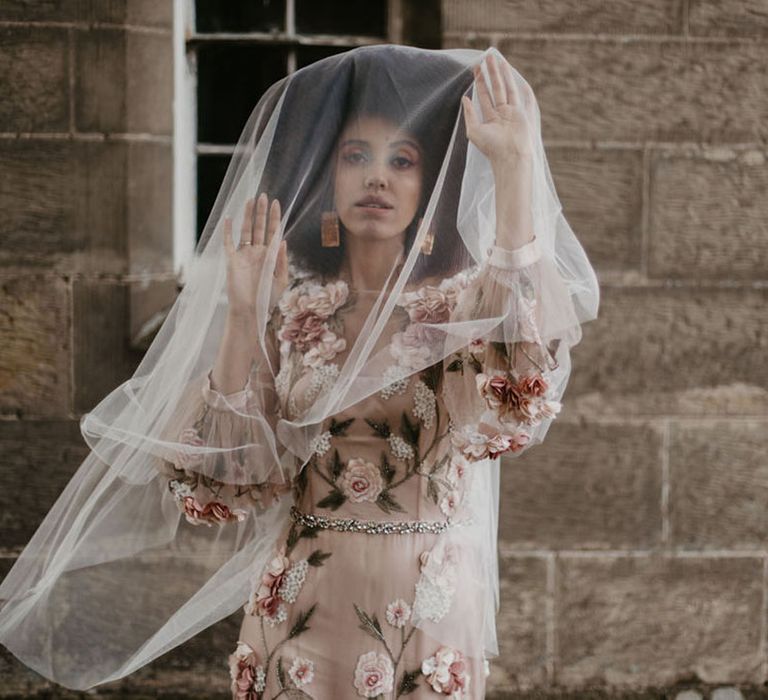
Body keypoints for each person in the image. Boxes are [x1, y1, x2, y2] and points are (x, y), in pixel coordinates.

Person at [0, 45, 599, 698]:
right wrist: (243, 309)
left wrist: (511, 168)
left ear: (428, 186)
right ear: (329, 176)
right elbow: (231, 477)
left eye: (402, 160)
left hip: (425, 612)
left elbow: (515, 392)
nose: (377, 176)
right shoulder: (297, 313)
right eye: (355, 156)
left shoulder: (457, 307)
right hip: (297, 597)